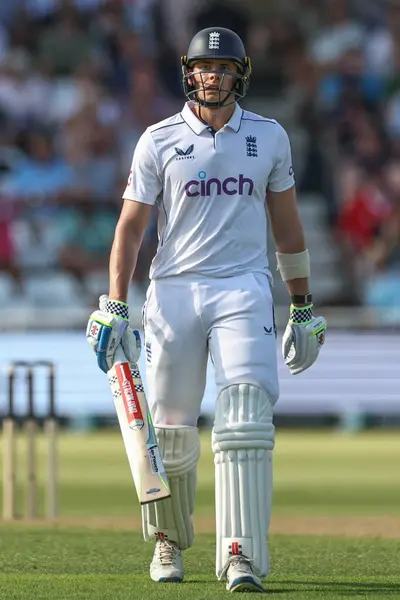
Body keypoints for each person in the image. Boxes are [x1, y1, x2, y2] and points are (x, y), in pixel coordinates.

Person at [86, 27, 327, 594]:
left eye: (221, 67)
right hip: (173, 291)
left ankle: (240, 555)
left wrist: (303, 306)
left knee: (245, 416)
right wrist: (116, 303)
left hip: (243, 286)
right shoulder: (159, 139)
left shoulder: (269, 137)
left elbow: (287, 227)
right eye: (201, 67)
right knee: (169, 431)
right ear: (187, 72)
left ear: (239, 73)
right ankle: (167, 543)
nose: (210, 76)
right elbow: (129, 228)